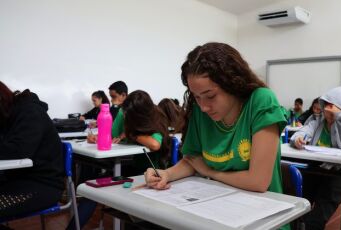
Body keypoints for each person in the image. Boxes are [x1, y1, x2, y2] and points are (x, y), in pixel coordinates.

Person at [144, 42, 289, 229]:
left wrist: (210, 171)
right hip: (218, 213)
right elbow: (192, 160)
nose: (204, 106)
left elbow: (258, 181)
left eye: (210, 96)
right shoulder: (200, 111)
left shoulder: (261, 100)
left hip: (263, 220)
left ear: (233, 84)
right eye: (196, 97)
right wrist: (166, 174)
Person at [66, 90, 171, 229]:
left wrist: (130, 134)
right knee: (92, 188)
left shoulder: (154, 120)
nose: (125, 116)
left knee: (102, 191)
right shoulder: (126, 115)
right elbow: (113, 136)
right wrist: (98, 138)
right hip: (129, 170)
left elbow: (155, 144)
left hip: (149, 174)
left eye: (128, 115)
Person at [290, 86, 341, 230]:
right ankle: (298, 222)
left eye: (331, 106)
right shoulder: (317, 120)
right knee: (299, 201)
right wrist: (298, 138)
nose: (327, 109)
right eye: (326, 105)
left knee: (317, 216)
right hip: (316, 169)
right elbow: (304, 130)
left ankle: (310, 225)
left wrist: (339, 119)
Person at [0, 81, 64, 221]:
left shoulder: (30, 111)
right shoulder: (8, 116)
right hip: (14, 179)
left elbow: (18, 151)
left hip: (42, 184)